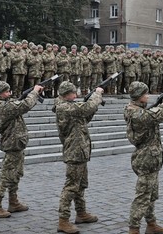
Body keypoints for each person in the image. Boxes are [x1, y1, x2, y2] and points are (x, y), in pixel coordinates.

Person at [125, 81, 163, 234]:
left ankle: (151, 223)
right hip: (146, 158)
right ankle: (133, 228)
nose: (147, 96)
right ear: (139, 96)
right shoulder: (136, 113)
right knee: (143, 196)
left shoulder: (137, 109)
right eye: (145, 94)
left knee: (151, 194)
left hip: (151, 158)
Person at [53, 81, 104, 233]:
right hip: (74, 152)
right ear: (66, 94)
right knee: (71, 187)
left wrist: (92, 106)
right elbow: (88, 107)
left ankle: (81, 213)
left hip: (80, 151)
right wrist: (97, 94)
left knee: (81, 185)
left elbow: (84, 117)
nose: (76, 95)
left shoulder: (69, 107)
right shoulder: (64, 106)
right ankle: (63, 220)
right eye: (73, 93)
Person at [0, 81, 43, 218]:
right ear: (0, 93)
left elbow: (19, 104)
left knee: (16, 173)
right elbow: (25, 105)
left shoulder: (5, 103)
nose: (9, 93)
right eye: (7, 91)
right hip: (12, 143)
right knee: (6, 174)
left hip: (17, 143)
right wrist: (34, 92)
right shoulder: (2, 106)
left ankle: (13, 201)